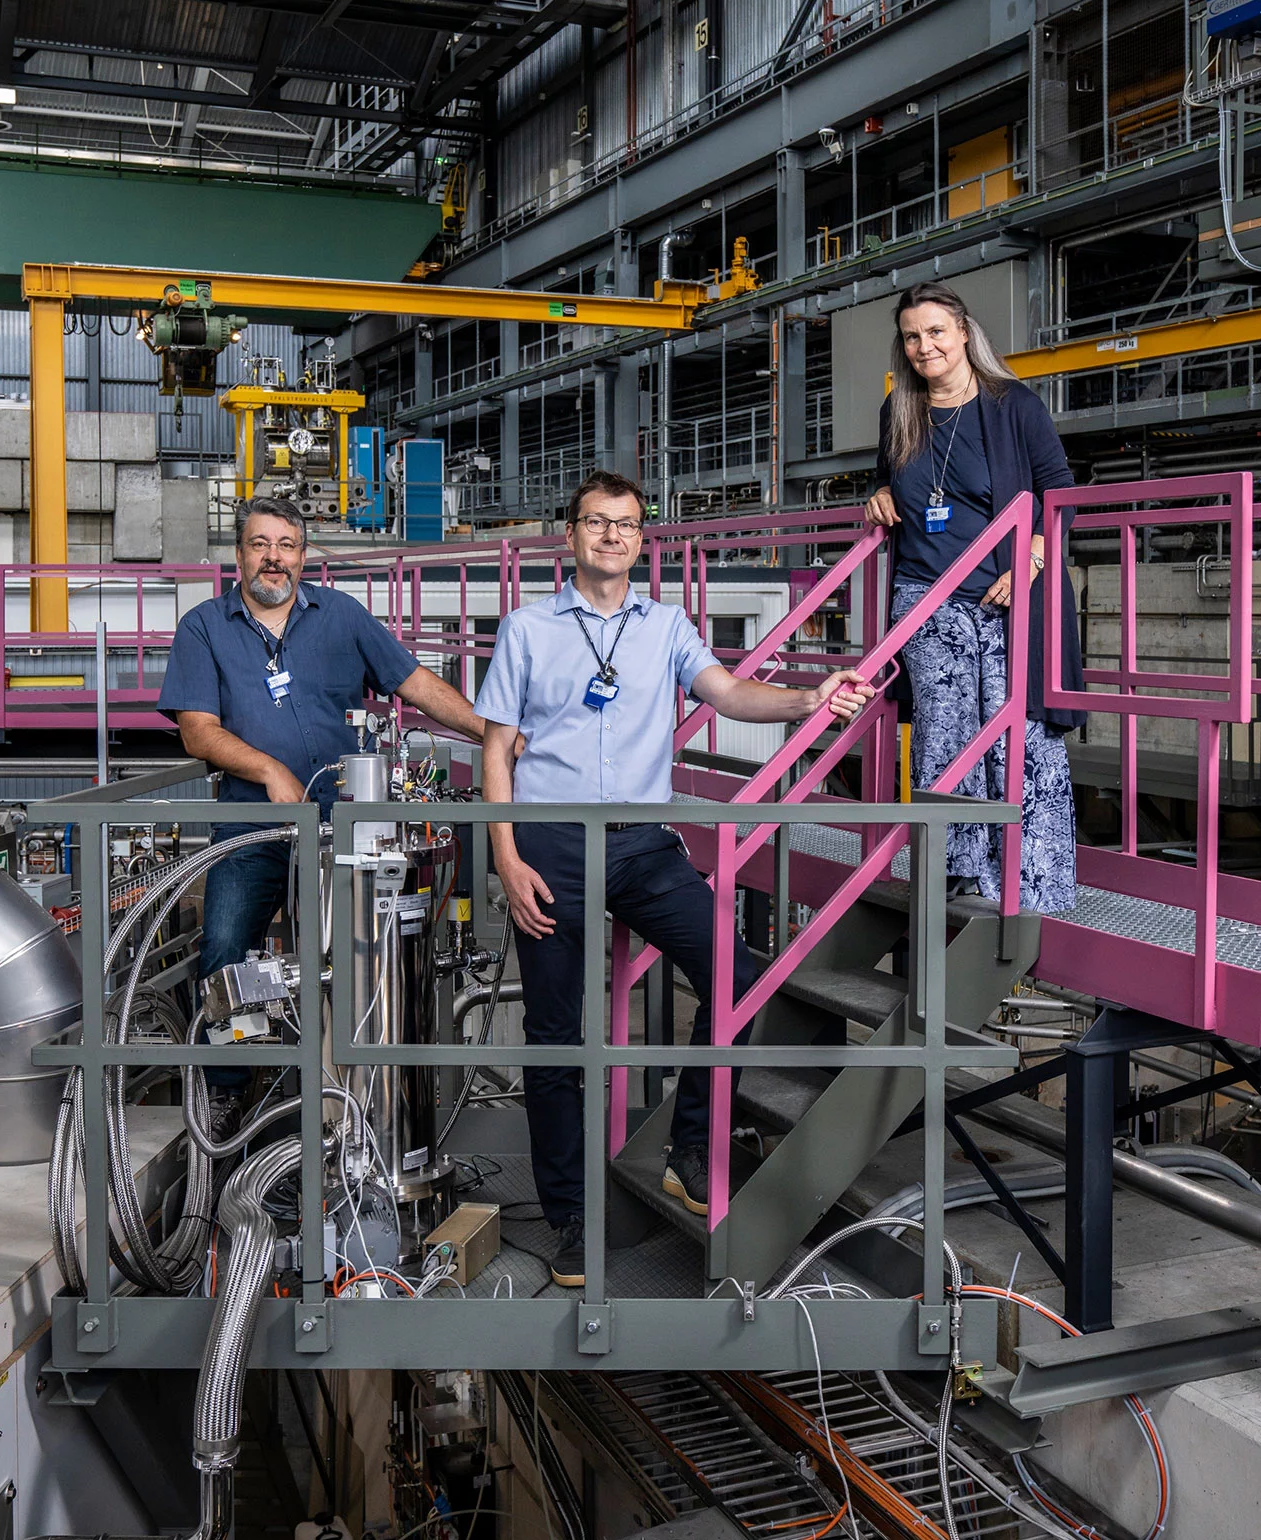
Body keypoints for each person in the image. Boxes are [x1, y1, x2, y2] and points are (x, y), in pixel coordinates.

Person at [474, 469, 874, 1288]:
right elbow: (496, 749)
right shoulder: (527, 629)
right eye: (596, 522)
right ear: (570, 535)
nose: (611, 536)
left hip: (642, 845)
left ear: (640, 540)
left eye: (625, 524)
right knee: (555, 1036)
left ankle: (687, 1145)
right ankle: (569, 1217)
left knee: (735, 973)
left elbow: (728, 693)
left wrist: (807, 701)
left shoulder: (665, 626)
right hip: (550, 845)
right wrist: (505, 858)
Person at [159, 494, 483, 1129]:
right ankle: (231, 1086)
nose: (273, 557)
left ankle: (356, 1090)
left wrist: (493, 735)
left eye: (286, 546)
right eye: (260, 544)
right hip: (252, 826)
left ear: (303, 557)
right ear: (238, 555)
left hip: (344, 831)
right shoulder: (204, 628)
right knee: (226, 950)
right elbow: (198, 731)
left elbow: (416, 684)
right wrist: (270, 770)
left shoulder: (341, 616)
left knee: (360, 957)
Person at [864, 282, 1086, 914]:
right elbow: (888, 477)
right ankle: (952, 868)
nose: (924, 346)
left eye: (936, 331)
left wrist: (1032, 561)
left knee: (1021, 737)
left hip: (1007, 597)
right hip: (925, 595)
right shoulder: (899, 409)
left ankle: (1033, 879)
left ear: (963, 331)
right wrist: (878, 492)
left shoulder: (1014, 405)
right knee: (943, 732)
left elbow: (1058, 493)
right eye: (912, 336)